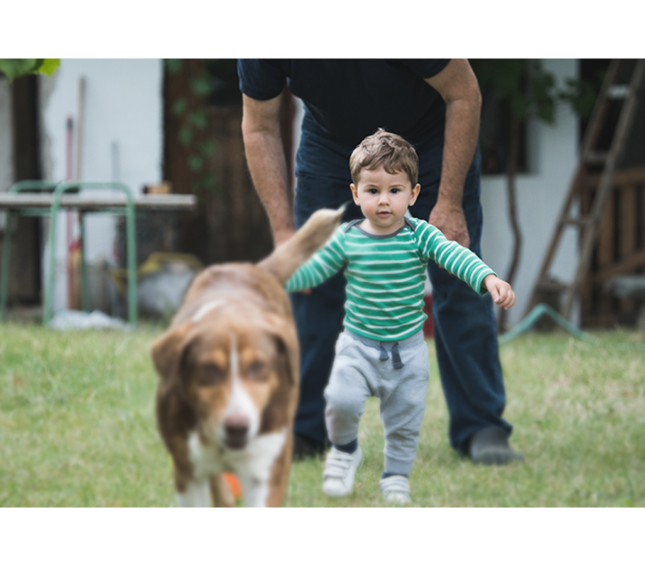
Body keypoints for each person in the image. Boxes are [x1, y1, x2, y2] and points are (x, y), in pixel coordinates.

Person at [239, 58, 523, 465]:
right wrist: (286, 234)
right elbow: (259, 126)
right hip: (333, 146)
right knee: (313, 283)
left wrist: (449, 203)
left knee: (457, 276)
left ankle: (482, 427)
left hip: (427, 139)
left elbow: (464, 94)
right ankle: (304, 429)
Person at [285, 130, 516, 502]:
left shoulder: (420, 235)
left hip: (407, 353)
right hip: (357, 346)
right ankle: (344, 452)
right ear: (355, 193)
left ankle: (395, 475)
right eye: (373, 190)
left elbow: (456, 257)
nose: (384, 201)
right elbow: (314, 271)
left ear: (413, 194)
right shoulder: (346, 237)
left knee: (403, 423)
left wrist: (488, 278)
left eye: (395, 190)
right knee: (341, 401)